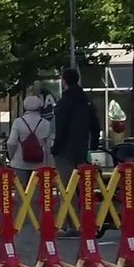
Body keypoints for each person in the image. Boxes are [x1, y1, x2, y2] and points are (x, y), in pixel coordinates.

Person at [52, 67, 101, 236]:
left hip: (65, 151)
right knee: (83, 187)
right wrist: (93, 142)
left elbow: (61, 128)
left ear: (63, 80)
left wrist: (55, 147)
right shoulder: (85, 100)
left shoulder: (64, 103)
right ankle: (86, 221)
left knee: (67, 189)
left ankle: (70, 225)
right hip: (81, 149)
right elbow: (95, 123)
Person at [6, 95, 53, 185]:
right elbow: (48, 145)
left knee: (21, 191)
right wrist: (49, 163)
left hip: (19, 163)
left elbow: (11, 142)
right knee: (37, 190)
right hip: (39, 163)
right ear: (39, 107)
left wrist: (12, 157)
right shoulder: (46, 123)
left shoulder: (18, 122)